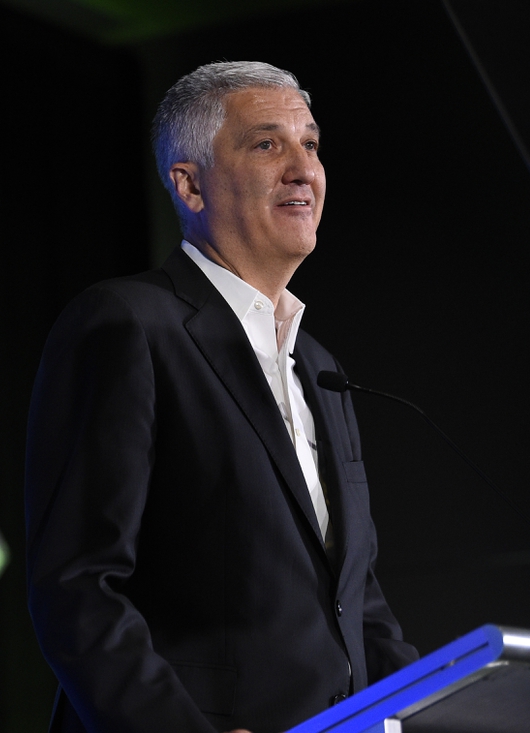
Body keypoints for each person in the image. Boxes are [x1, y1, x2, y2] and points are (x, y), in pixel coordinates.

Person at [24, 61, 418, 733]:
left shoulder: (319, 367)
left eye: (312, 145)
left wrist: (432, 707)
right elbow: (78, 585)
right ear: (189, 183)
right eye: (269, 144)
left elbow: (360, 604)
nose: (303, 168)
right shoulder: (128, 324)